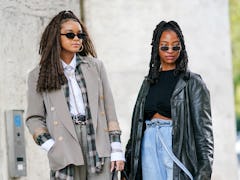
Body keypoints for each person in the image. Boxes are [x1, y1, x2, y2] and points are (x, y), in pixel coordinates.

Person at [26, 10, 125, 180]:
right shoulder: (39, 74)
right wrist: (51, 145)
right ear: (56, 37)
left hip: (97, 140)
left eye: (80, 35)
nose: (77, 39)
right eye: (70, 35)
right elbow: (34, 118)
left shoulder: (95, 67)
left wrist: (116, 148)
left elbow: (109, 109)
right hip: (65, 143)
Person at [123, 21, 214, 180]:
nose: (170, 51)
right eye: (164, 46)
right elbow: (136, 128)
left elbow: (204, 135)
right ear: (156, 48)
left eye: (175, 46)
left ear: (182, 48)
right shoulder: (148, 82)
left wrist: (204, 173)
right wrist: (128, 166)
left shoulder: (192, 82)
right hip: (148, 147)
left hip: (175, 148)